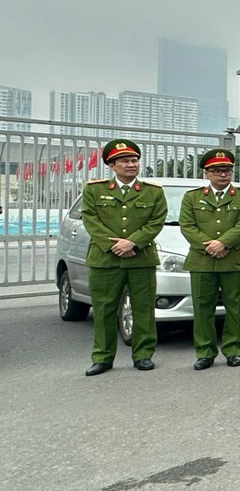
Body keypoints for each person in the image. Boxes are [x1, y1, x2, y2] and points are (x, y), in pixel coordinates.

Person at [81, 139, 167, 376]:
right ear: (111, 165)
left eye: (134, 160)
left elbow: (156, 221)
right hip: (105, 259)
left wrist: (133, 242)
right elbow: (90, 219)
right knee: (104, 309)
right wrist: (115, 245)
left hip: (141, 258)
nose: (131, 165)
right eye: (125, 161)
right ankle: (103, 357)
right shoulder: (94, 189)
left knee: (143, 308)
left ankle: (143, 355)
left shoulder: (154, 191)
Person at [179, 148, 240, 370]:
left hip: (234, 260)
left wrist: (223, 243)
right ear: (206, 173)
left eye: (227, 170)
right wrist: (210, 246)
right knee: (203, 309)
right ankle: (204, 351)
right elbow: (187, 226)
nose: (223, 174)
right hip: (202, 261)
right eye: (217, 171)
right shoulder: (192, 197)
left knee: (236, 308)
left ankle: (233, 350)